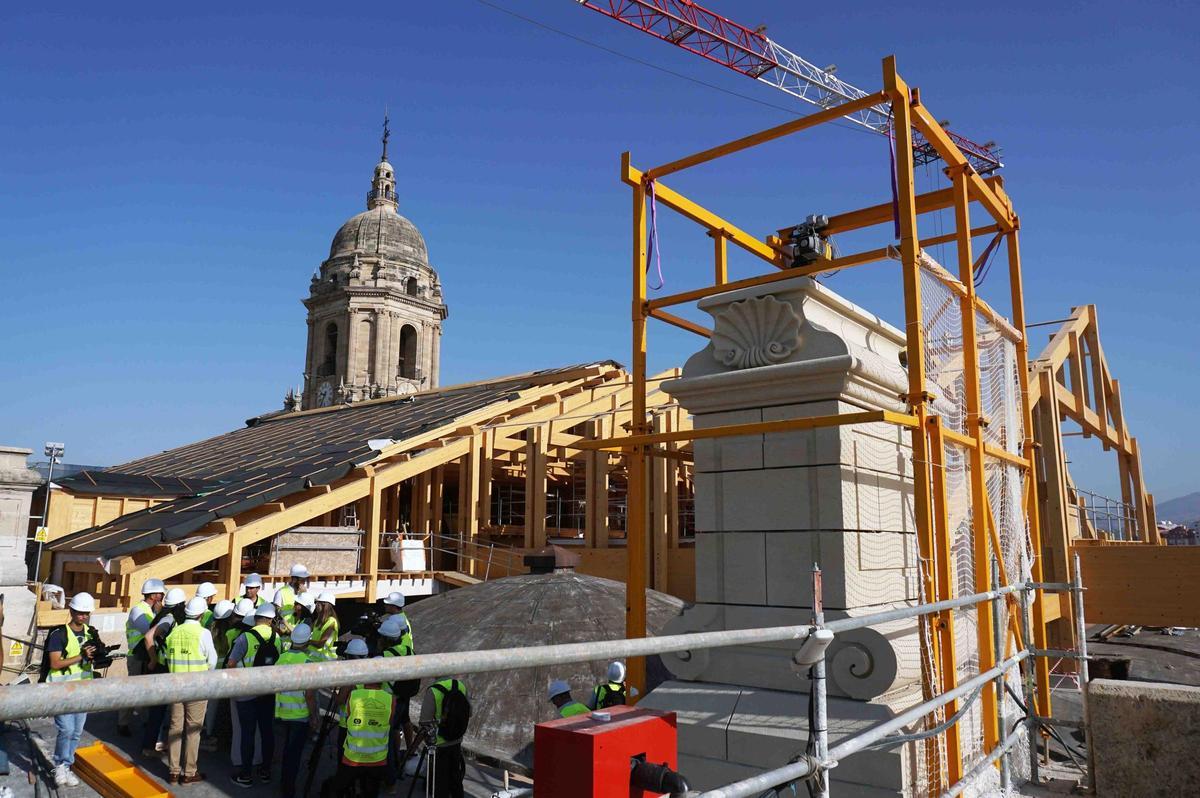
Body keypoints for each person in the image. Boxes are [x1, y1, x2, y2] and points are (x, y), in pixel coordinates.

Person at [45, 592, 99, 787]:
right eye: (80, 613)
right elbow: (55, 663)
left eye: (86, 613)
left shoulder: (90, 633)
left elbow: (91, 660)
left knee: (76, 731)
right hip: (61, 689)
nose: (83, 616)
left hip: (82, 689)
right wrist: (81, 656)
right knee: (66, 729)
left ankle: (67, 765)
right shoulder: (59, 635)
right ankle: (60, 765)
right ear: (72, 611)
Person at [164, 597, 217, 785]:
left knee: (175, 728)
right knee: (193, 730)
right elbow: (212, 661)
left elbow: (166, 657)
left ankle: (173, 772)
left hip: (176, 686)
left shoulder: (174, 632)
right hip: (197, 687)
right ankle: (189, 773)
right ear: (201, 615)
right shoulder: (203, 633)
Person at [227, 602, 279, 787]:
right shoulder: (276, 637)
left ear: (256, 618)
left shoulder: (245, 637)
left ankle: (246, 775)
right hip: (268, 692)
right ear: (271, 620)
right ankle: (265, 771)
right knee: (267, 732)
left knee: (247, 733)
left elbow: (231, 664)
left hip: (247, 692)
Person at [332, 643, 393, 798]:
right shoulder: (387, 691)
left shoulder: (352, 680)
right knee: (369, 783)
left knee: (345, 774)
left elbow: (341, 700)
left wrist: (335, 692)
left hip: (350, 730)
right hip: (376, 744)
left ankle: (348, 791)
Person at [274, 624, 320, 798]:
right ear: (307, 642)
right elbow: (309, 695)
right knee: (293, 755)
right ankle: (288, 790)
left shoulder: (282, 658)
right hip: (299, 716)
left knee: (284, 752)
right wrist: (314, 716)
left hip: (281, 712)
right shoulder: (308, 663)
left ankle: (283, 784)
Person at [141, 587, 187, 757]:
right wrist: (153, 659)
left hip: (164, 667)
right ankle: (149, 746)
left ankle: (155, 743)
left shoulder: (166, 616)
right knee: (159, 710)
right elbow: (148, 637)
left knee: (160, 709)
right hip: (162, 667)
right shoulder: (169, 619)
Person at [118, 577, 165, 736]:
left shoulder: (149, 610)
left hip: (146, 655)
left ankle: (145, 719)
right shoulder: (138, 610)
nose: (162, 597)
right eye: (160, 594)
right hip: (137, 657)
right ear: (153, 595)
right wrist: (161, 615)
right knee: (132, 690)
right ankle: (123, 722)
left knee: (145, 689)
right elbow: (150, 631)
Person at [378, 615, 419, 781]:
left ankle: (394, 766)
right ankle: (408, 754)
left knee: (392, 731)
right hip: (405, 695)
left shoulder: (385, 655)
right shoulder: (408, 650)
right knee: (404, 721)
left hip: (390, 698)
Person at [419, 677, 470, 798]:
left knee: (440, 783)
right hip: (456, 740)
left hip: (439, 744)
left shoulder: (433, 691)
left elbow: (425, 722)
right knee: (455, 778)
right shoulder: (461, 685)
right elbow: (469, 712)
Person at [310, 591, 339, 661]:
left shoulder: (331, 622)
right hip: (315, 658)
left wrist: (307, 642)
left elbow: (321, 644)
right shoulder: (317, 620)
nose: (316, 605)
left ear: (324, 605)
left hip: (327, 659)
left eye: (318, 603)